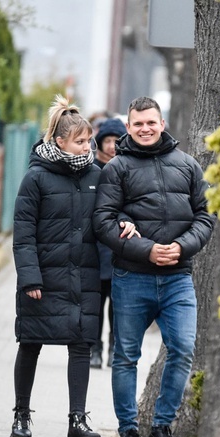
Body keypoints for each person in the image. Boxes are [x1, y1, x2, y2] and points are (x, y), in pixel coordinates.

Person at [93, 96, 214, 437]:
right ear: (128, 128)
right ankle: (129, 430)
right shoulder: (117, 168)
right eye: (137, 124)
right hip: (132, 276)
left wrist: (180, 247)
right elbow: (103, 221)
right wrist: (146, 249)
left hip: (178, 276)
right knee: (126, 354)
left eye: (150, 122)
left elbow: (205, 217)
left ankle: (161, 429)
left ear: (161, 123)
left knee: (183, 349)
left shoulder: (188, 165)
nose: (145, 129)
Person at [11, 95, 113, 437]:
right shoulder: (35, 179)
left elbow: (107, 220)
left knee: (82, 346)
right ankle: (21, 417)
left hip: (83, 277)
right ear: (60, 142)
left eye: (89, 141)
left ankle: (77, 423)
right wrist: (30, 278)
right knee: (31, 343)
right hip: (43, 278)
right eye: (81, 141)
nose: (89, 148)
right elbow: (23, 233)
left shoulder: (97, 176)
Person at [90, 117, 127, 369]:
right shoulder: (90, 170)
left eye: (117, 140)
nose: (112, 145)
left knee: (118, 307)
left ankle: (115, 349)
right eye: (108, 140)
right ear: (100, 142)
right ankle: (94, 350)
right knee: (94, 306)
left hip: (119, 249)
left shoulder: (127, 169)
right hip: (93, 249)